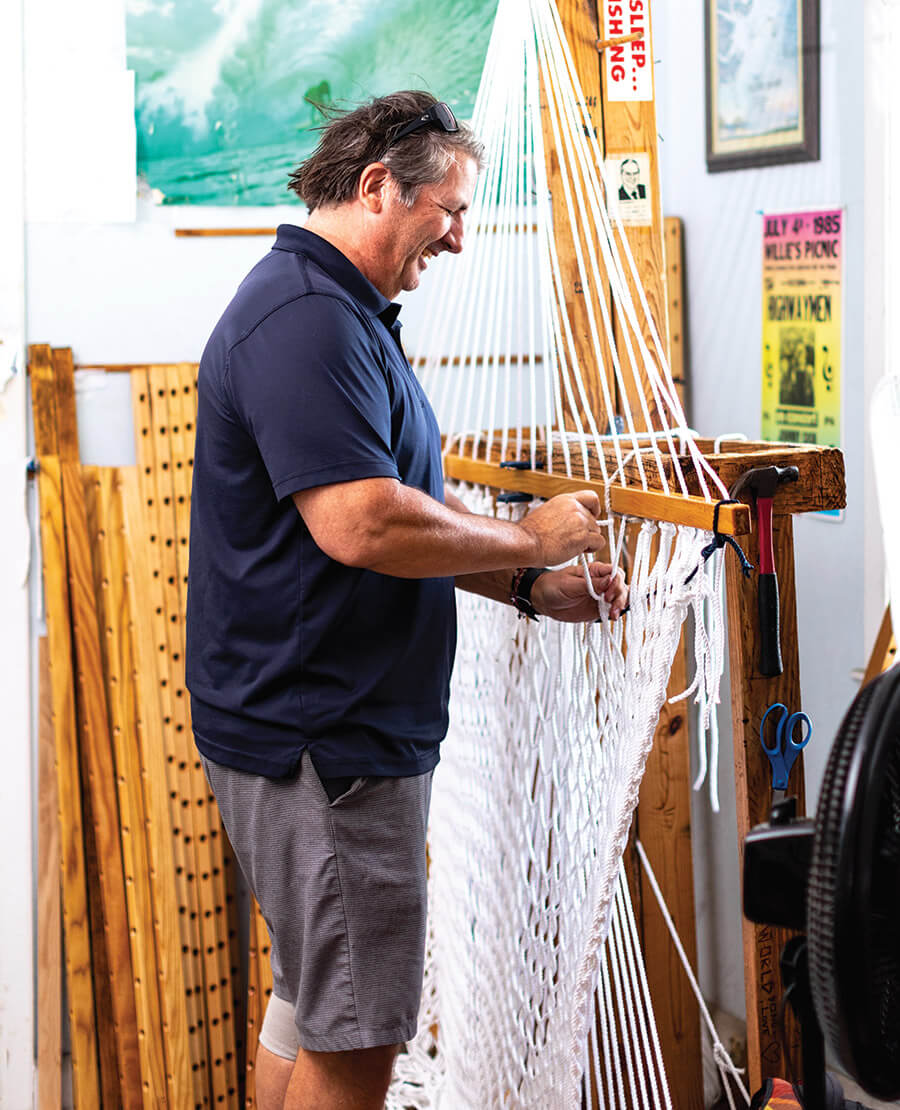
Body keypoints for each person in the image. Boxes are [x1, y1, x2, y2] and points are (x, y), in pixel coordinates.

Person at [186, 90, 628, 1110]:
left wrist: (524, 584)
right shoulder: (305, 321)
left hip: (313, 731)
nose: (463, 240)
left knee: (309, 1009)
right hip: (326, 745)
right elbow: (361, 524)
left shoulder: (339, 312)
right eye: (454, 210)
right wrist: (528, 534)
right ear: (378, 186)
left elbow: (398, 520)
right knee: (358, 1040)